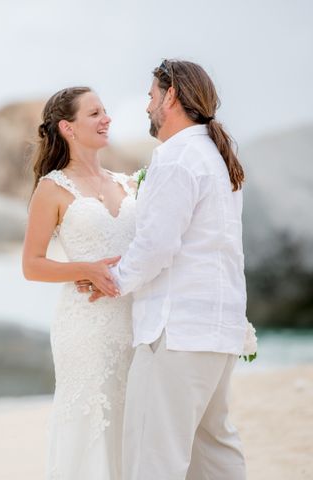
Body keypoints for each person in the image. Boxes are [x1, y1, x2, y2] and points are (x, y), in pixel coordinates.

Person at [81, 59, 248, 479]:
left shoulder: (176, 159)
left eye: (152, 96)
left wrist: (112, 280)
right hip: (218, 332)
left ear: (171, 95)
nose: (147, 106)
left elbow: (157, 246)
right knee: (215, 455)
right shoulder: (215, 156)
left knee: (154, 459)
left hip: (175, 334)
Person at [22, 86, 137, 479]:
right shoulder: (52, 188)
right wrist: (83, 270)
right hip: (86, 327)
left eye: (105, 110)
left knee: (133, 422)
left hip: (136, 320)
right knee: (91, 422)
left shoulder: (128, 183)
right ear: (67, 127)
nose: (106, 118)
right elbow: (32, 265)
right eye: (95, 113)